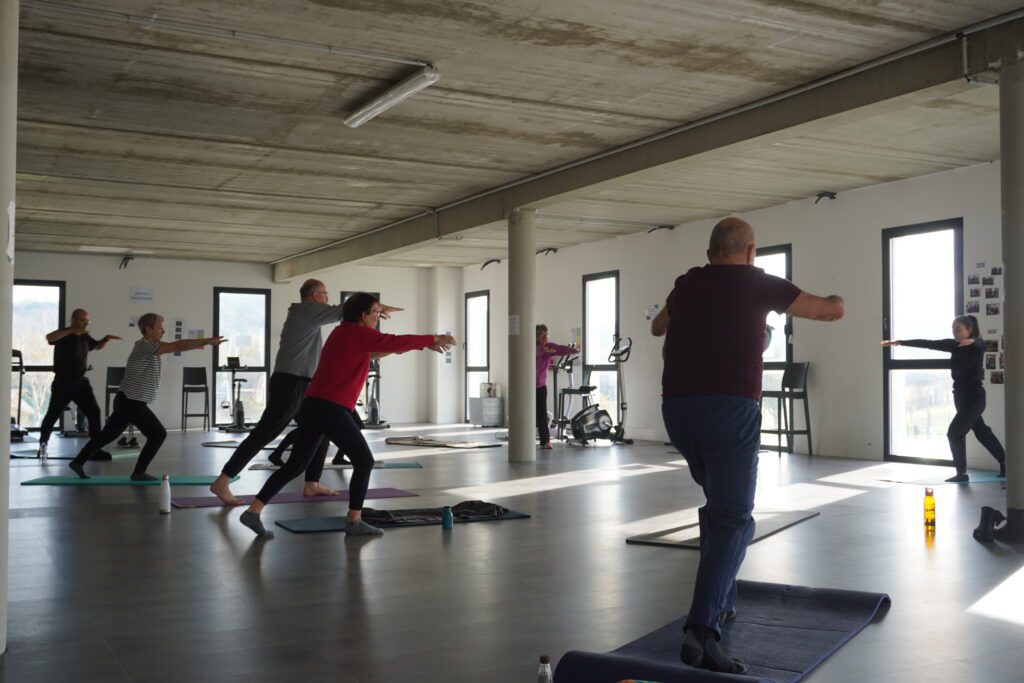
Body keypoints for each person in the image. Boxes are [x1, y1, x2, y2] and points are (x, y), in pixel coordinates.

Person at [651, 217, 844, 674]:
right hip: (730, 411)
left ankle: (722, 600)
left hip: (677, 412)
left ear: (710, 252)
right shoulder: (759, 283)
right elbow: (828, 311)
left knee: (719, 506)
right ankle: (703, 631)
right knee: (734, 518)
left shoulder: (687, 283)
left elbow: (658, 327)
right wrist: (839, 299)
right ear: (752, 252)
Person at [238, 293, 454, 538]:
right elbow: (394, 341)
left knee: (294, 466)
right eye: (375, 312)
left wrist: (417, 346)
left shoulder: (341, 332)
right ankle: (354, 520)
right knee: (364, 461)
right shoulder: (359, 333)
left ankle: (253, 511)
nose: (377, 317)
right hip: (330, 408)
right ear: (363, 314)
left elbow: (373, 352)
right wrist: (434, 338)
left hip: (312, 405)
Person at [209, 280, 400, 505]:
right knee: (265, 432)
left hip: (304, 383)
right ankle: (223, 481)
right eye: (325, 294)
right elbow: (348, 310)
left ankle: (312, 483)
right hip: (290, 381)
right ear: (314, 296)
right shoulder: (305, 311)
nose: (327, 299)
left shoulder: (310, 318)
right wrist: (375, 307)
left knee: (322, 428)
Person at [69, 313, 225, 480]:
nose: (163, 331)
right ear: (148, 329)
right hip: (131, 402)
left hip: (126, 400)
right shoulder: (144, 347)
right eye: (160, 328)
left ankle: (78, 462)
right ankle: (139, 472)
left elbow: (177, 345)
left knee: (107, 436)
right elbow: (178, 345)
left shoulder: (152, 346)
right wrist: (206, 341)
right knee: (158, 434)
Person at [882, 315, 1005, 483]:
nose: (954, 333)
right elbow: (928, 343)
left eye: (958, 329)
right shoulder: (953, 345)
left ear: (969, 330)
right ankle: (1005, 462)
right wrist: (900, 342)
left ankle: (962, 474)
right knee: (981, 431)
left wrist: (974, 340)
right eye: (953, 330)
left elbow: (982, 345)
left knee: (954, 433)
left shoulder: (976, 346)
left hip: (975, 397)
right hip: (960, 396)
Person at [36, 309, 122, 458]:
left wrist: (105, 339)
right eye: (83, 320)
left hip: (81, 383)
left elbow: (95, 346)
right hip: (63, 383)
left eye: (87, 321)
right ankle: (43, 445)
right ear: (74, 319)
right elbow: (49, 337)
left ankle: (95, 450)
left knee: (94, 413)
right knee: (52, 415)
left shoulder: (84, 336)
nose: (86, 324)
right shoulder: (63, 334)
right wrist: (71, 330)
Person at [535, 324, 577, 449]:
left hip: (541, 386)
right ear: (537, 336)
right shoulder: (532, 347)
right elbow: (536, 351)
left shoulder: (548, 346)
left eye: (547, 335)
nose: (546, 338)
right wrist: (544, 351)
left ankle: (545, 441)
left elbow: (559, 349)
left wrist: (571, 350)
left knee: (542, 414)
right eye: (543, 336)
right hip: (528, 386)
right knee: (529, 413)